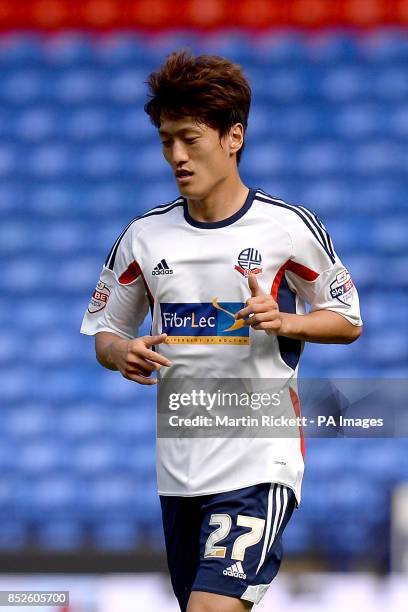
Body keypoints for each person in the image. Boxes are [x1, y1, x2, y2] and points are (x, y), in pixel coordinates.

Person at [80, 51, 362, 612]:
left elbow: (348, 319)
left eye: (190, 139)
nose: (177, 157)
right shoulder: (144, 237)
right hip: (180, 470)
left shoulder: (286, 228)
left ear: (233, 137)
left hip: (260, 459)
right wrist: (121, 353)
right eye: (166, 141)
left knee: (211, 609)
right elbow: (106, 333)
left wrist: (288, 320)